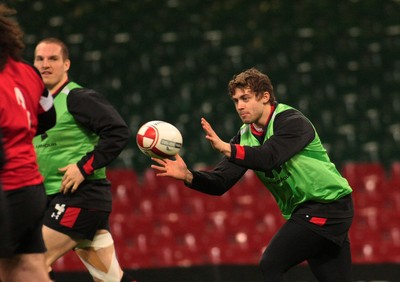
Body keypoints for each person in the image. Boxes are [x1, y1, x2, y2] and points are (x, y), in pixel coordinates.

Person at [151, 68, 354, 282]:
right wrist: (188, 176)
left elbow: (269, 157)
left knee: (271, 263)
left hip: (328, 205)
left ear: (265, 97)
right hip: (311, 210)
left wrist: (225, 148)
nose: (240, 106)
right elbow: (221, 182)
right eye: (236, 100)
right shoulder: (245, 136)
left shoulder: (292, 121)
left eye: (245, 98)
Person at [33, 37, 136, 282]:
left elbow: (118, 131)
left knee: (31, 263)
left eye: (53, 59)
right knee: (110, 280)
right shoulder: (35, 105)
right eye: (40, 59)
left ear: (66, 64)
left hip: (78, 197)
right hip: (55, 200)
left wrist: (83, 167)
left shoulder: (76, 97)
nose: (45, 64)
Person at [0, 4, 56, 281]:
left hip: (7, 193)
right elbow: (48, 117)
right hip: (32, 190)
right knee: (30, 269)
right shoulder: (28, 73)